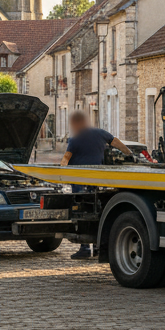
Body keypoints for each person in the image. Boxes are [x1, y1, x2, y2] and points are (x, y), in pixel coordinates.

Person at [61, 110, 133, 259]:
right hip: (97, 180)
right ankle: (99, 248)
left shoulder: (75, 139)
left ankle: (85, 248)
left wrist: (61, 173)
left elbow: (66, 158)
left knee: (82, 213)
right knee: (98, 212)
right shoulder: (100, 133)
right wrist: (130, 155)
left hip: (80, 182)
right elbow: (116, 142)